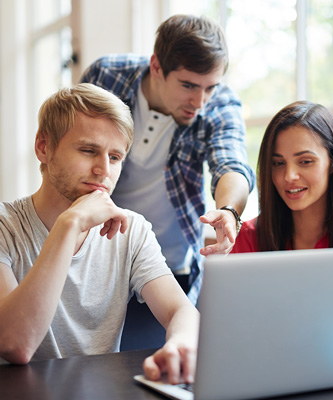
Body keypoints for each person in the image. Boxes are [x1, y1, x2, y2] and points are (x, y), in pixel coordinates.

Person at [0, 83, 199, 384]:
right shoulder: (5, 226)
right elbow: (15, 344)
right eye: (88, 150)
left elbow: (180, 311)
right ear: (44, 147)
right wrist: (70, 224)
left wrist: (180, 343)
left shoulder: (132, 230)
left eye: (115, 157)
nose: (103, 170)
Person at [80, 14, 255, 304]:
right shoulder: (106, 77)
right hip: (95, 261)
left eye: (209, 87)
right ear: (157, 67)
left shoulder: (220, 103)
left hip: (167, 268)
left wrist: (229, 211)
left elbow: (231, 163)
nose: (199, 103)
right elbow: (69, 151)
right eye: (188, 85)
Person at [231, 100, 333, 351]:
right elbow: (230, 331)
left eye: (305, 161)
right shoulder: (249, 237)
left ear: (332, 162)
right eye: (278, 163)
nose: (289, 176)